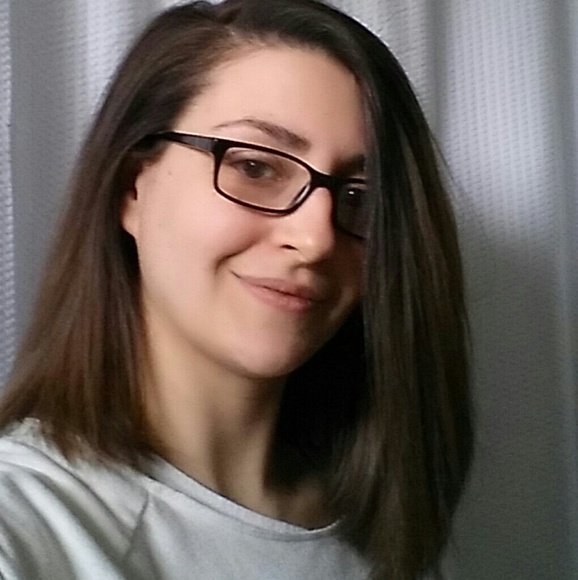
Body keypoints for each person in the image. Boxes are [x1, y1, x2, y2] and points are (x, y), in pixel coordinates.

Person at [0, 0, 473, 578]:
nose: (315, 239)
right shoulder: (25, 528)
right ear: (131, 188)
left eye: (360, 197)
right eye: (255, 167)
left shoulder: (395, 537)